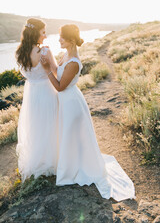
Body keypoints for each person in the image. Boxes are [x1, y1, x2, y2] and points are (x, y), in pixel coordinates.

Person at [41, 24, 136, 202]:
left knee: (71, 135)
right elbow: (58, 72)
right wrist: (49, 61)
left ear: (70, 40)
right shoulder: (66, 55)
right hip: (67, 102)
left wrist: (47, 71)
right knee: (69, 136)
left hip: (71, 103)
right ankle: (71, 164)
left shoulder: (74, 62)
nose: (59, 39)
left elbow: (60, 87)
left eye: (62, 37)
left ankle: (75, 168)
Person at [16, 18, 58, 182]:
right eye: (43, 32)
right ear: (35, 33)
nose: (45, 36)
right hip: (46, 91)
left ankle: (38, 161)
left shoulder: (20, 53)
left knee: (36, 126)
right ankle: (53, 160)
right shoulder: (45, 52)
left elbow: (26, 74)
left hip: (31, 94)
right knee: (50, 124)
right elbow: (55, 73)